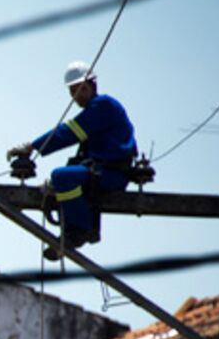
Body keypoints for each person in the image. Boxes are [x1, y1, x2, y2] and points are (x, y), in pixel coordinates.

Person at [7, 61, 137, 260]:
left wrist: (32, 146)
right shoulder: (95, 111)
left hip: (112, 174)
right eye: (73, 91)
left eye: (82, 89)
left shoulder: (104, 106)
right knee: (62, 179)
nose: (77, 96)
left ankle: (79, 232)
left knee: (62, 177)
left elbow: (69, 132)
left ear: (93, 85)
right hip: (101, 172)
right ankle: (71, 230)